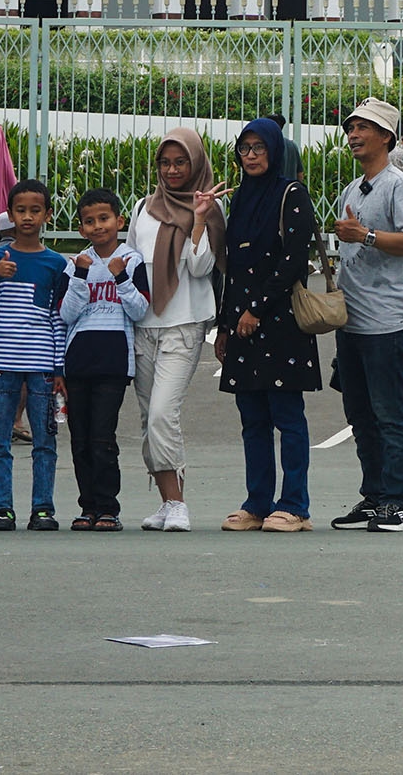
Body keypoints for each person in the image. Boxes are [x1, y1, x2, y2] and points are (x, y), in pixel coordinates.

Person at [215, 117, 323, 533]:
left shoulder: (291, 193)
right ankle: (257, 503)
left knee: (287, 416)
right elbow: (233, 268)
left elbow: (292, 261)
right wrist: (226, 325)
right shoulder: (241, 197)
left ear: (276, 150)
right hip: (242, 325)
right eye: (245, 148)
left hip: (279, 323)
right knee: (252, 418)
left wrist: (257, 309)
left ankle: (294, 504)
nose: (252, 156)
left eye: (260, 147)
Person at [330, 96, 403, 533]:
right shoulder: (353, 190)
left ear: (386, 137)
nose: (353, 134)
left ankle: (397, 503)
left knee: (390, 413)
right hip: (352, 321)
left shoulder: (398, 185)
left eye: (363, 128)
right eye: (351, 127)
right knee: (360, 414)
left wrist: (364, 235)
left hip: (389, 323)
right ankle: (373, 497)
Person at [131, 128, 224, 532]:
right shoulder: (142, 207)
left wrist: (199, 219)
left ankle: (178, 503)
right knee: (146, 417)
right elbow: (133, 266)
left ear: (196, 163)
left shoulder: (210, 208)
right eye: (165, 163)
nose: (172, 170)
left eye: (180, 162)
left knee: (161, 415)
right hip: (143, 324)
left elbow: (202, 268)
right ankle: (167, 501)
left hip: (184, 323)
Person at [0, 179, 69, 531]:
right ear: (10, 214)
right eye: (20, 210)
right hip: (0, 364)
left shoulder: (55, 263)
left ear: (47, 214)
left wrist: (59, 367)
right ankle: (2, 508)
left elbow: (57, 318)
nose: (27, 217)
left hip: (42, 366)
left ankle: (42, 508)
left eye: (35, 210)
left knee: (45, 441)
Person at [59, 188, 150, 531]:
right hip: (79, 360)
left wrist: (120, 277)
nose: (98, 226)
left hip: (113, 361)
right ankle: (88, 507)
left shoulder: (132, 260)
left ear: (119, 221)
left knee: (102, 437)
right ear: (81, 228)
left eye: (104, 218)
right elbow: (67, 314)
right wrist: (82, 275)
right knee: (79, 439)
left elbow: (140, 309)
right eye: (89, 221)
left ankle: (108, 507)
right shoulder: (77, 264)